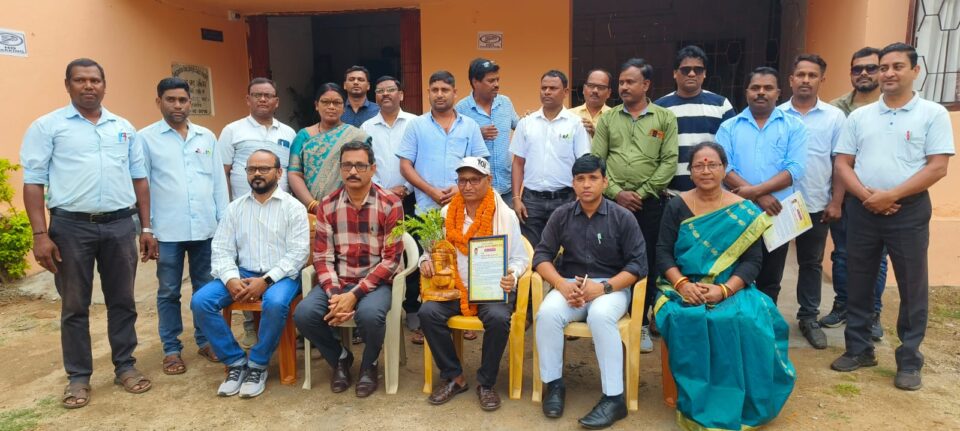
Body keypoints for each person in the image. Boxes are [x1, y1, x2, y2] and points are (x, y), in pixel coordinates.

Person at [21, 58, 157, 409]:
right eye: (80, 80)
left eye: (95, 80)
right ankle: (78, 377)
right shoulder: (48, 127)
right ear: (67, 85)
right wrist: (40, 234)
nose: (88, 86)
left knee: (122, 301)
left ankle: (125, 366)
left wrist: (146, 227)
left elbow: (139, 179)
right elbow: (33, 182)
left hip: (119, 225)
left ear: (104, 85)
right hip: (70, 227)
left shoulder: (123, 128)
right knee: (74, 305)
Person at [831, 43, 954, 391]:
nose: (887, 73)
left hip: (908, 211)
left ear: (915, 71)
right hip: (863, 208)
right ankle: (859, 349)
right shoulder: (860, 117)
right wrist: (867, 196)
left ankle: (909, 359)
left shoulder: (932, 113)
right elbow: (842, 163)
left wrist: (891, 195)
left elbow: (938, 167)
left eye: (896, 66)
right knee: (859, 279)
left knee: (912, 285)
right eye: (882, 67)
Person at [654, 142, 796, 430]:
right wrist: (682, 284)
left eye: (713, 165)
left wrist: (725, 290)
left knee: (745, 318)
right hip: (683, 284)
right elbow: (663, 252)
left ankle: (746, 400)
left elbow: (752, 261)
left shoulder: (743, 209)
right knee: (686, 317)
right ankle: (699, 399)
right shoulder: (676, 205)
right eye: (699, 165)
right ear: (690, 171)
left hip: (731, 284)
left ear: (724, 169)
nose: (706, 171)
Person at [533, 154, 646, 428]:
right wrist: (561, 284)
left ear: (605, 182)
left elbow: (638, 265)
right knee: (547, 314)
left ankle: (614, 398)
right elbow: (541, 256)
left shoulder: (622, 217)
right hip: (571, 285)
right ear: (573, 183)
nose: (586, 184)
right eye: (580, 179)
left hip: (611, 287)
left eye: (593, 178)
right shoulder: (561, 215)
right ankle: (554, 385)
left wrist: (603, 288)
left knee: (600, 316)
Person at [190, 150, 309, 398]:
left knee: (275, 303)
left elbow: (298, 254)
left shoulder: (293, 208)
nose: (257, 174)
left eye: (264, 169)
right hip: (243, 272)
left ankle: (257, 364)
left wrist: (266, 281)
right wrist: (230, 278)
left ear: (279, 172)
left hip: (282, 275)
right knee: (201, 301)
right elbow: (221, 249)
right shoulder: (235, 208)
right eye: (251, 169)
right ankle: (235, 362)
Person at [294, 141, 404, 397]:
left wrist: (354, 295)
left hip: (376, 283)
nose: (353, 171)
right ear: (340, 168)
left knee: (370, 315)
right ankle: (340, 358)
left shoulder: (391, 203)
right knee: (304, 314)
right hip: (339, 280)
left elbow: (391, 260)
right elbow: (322, 256)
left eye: (360, 165)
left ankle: (369, 364)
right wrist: (335, 296)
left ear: (373, 168)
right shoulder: (327, 204)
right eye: (347, 165)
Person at [418, 157, 529, 411]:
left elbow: (520, 258)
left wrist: (512, 275)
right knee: (427, 312)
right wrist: (425, 261)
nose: (467, 186)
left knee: (498, 319)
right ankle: (454, 376)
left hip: (491, 289)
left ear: (489, 181)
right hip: (454, 288)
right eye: (462, 180)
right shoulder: (446, 213)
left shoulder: (505, 215)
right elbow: (431, 250)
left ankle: (486, 383)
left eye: (475, 180)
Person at [140, 77, 230, 374]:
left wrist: (224, 223)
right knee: (169, 291)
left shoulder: (206, 136)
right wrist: (147, 228)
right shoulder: (146, 139)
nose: (177, 105)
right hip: (167, 231)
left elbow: (218, 183)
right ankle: (171, 349)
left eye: (182, 100)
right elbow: (142, 186)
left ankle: (206, 341)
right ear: (159, 102)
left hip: (206, 228)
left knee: (206, 289)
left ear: (190, 102)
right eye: (170, 100)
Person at [592, 57, 678, 353]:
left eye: (630, 82)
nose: (624, 87)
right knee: (610, 258)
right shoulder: (609, 118)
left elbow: (669, 162)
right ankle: (608, 318)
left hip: (648, 205)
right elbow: (598, 160)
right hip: (611, 204)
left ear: (646, 84)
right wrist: (616, 193)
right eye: (621, 82)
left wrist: (641, 193)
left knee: (646, 261)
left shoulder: (664, 118)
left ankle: (640, 322)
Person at [717, 66, 808, 303]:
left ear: (778, 92)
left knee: (770, 279)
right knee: (735, 275)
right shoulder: (729, 127)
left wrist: (756, 191)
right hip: (738, 213)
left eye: (768, 88)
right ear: (746, 91)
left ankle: (767, 322)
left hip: (777, 213)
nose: (761, 92)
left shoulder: (794, 126)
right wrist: (759, 196)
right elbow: (724, 168)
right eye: (755, 87)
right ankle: (740, 322)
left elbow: (795, 168)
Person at [219, 77, 297, 347]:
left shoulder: (288, 133)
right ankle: (250, 325)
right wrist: (225, 209)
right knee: (246, 265)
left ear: (277, 101)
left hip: (279, 210)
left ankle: (281, 324)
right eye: (257, 95)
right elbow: (222, 172)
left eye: (268, 95)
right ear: (248, 99)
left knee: (277, 263)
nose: (263, 99)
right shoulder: (232, 130)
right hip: (244, 212)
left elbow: (291, 172)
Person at [776, 54, 847, 349]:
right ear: (791, 79)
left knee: (811, 263)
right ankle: (767, 317)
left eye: (812, 75)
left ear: (821, 79)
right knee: (772, 264)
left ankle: (808, 317)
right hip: (779, 204)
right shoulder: (776, 114)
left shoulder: (834, 117)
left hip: (816, 202)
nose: (806, 80)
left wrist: (837, 201)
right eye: (801, 74)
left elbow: (840, 162)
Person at [822, 47, 889, 341]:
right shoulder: (836, 109)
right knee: (842, 255)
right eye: (857, 69)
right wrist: (836, 200)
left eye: (870, 68)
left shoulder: (891, 108)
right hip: (845, 197)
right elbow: (836, 159)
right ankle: (843, 306)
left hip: (881, 198)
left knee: (877, 258)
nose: (863, 73)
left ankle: (873, 313)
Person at [360, 76, 424, 343]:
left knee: (413, 252)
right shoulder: (366, 127)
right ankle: (377, 308)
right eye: (380, 91)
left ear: (401, 94)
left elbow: (420, 159)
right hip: (377, 200)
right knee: (379, 253)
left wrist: (405, 188)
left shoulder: (415, 123)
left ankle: (412, 307)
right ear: (375, 96)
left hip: (410, 198)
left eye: (390, 90)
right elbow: (365, 163)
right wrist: (383, 191)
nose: (385, 94)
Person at [510, 70, 591, 246]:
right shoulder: (526, 123)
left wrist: (580, 198)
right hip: (531, 201)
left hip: (565, 199)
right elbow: (518, 163)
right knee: (530, 250)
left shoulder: (576, 124)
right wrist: (516, 198)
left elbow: (583, 165)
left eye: (553, 88)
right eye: (544, 88)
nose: (547, 92)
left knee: (564, 250)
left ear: (565, 92)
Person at [398, 70, 489, 215]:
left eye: (445, 90)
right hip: (427, 210)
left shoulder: (470, 126)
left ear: (455, 92)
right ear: (428, 93)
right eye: (435, 90)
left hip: (464, 208)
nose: (439, 94)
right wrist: (431, 191)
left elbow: (482, 164)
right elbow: (405, 166)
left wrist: (460, 188)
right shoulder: (416, 125)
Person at [655, 45, 736, 193]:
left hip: (713, 193)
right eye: (685, 70)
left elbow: (731, 149)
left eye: (697, 70)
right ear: (675, 73)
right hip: (672, 194)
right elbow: (654, 144)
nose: (692, 74)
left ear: (704, 74)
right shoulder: (659, 108)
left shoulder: (721, 105)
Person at [289, 82, 371, 210]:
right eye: (325, 102)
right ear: (317, 105)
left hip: (347, 207)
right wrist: (313, 205)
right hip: (309, 210)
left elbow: (365, 171)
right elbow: (294, 173)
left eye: (337, 103)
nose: (331, 107)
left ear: (344, 107)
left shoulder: (357, 136)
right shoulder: (303, 136)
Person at [455, 58, 520, 202]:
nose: (496, 84)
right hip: (476, 191)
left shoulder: (505, 103)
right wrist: (477, 134)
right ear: (475, 82)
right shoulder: (461, 109)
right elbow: (454, 144)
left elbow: (518, 125)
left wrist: (529, 120)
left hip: (506, 188)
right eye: (491, 81)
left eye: (497, 80)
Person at [570, 69, 613, 137]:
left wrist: (596, 135)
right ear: (584, 89)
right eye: (591, 85)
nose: (595, 91)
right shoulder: (570, 115)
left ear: (609, 93)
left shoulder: (615, 117)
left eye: (601, 87)